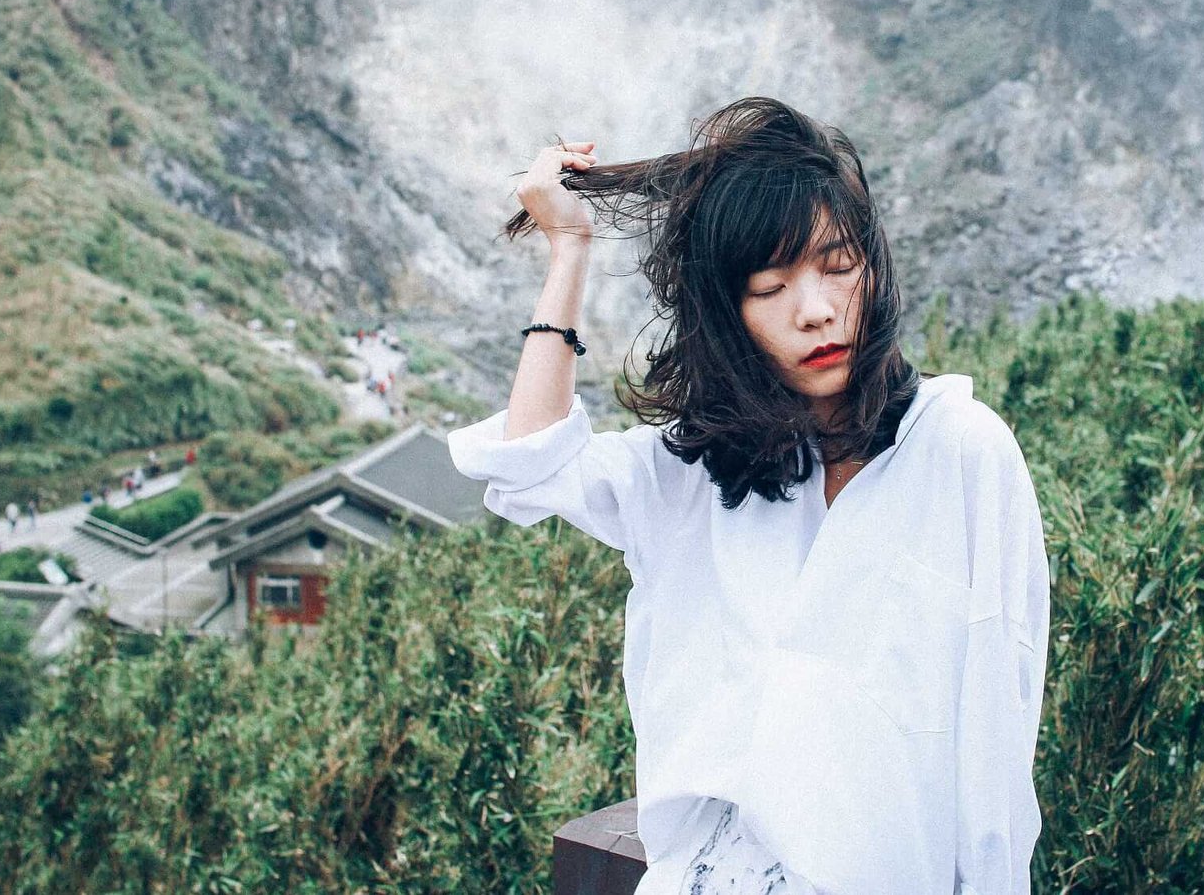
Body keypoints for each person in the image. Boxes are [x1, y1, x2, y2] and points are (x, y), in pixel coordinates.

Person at [446, 98, 1050, 895]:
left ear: (874, 268)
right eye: (771, 286)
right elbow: (528, 466)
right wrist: (569, 247)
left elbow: (998, 730)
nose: (816, 309)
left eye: (840, 266)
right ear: (727, 316)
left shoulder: (963, 451)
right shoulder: (697, 473)